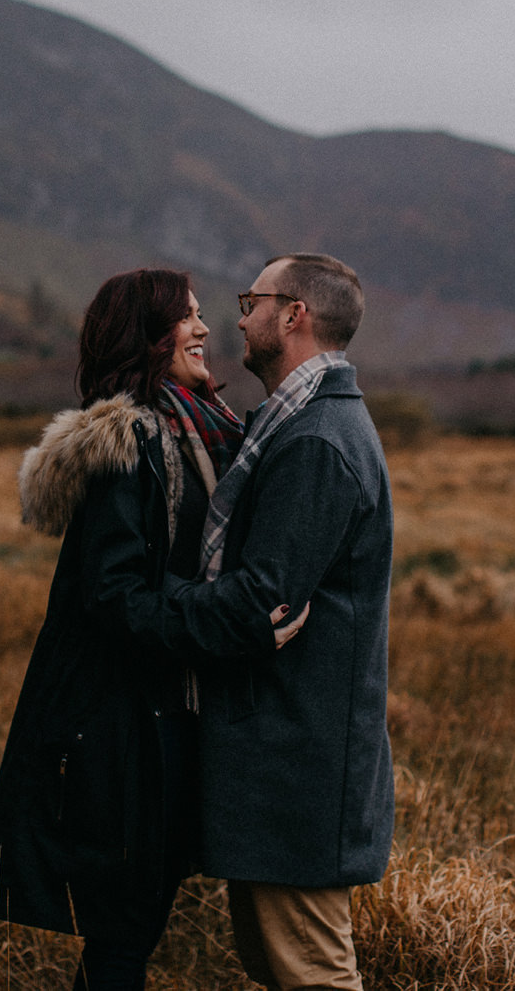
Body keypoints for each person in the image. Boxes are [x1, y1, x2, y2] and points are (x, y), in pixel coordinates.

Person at [0, 268, 305, 991]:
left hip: (168, 720)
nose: (203, 327)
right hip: (124, 735)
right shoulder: (131, 444)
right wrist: (237, 624)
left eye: (198, 313)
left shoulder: (202, 430)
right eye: (183, 317)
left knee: (131, 930)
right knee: (124, 937)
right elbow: (117, 598)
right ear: (147, 340)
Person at [117, 252, 394, 991]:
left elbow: (256, 602)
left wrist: (140, 604)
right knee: (285, 967)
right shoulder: (294, 424)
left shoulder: (316, 442)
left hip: (296, 767)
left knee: (314, 974)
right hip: (282, 757)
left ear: (293, 314)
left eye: (252, 300)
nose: (238, 317)